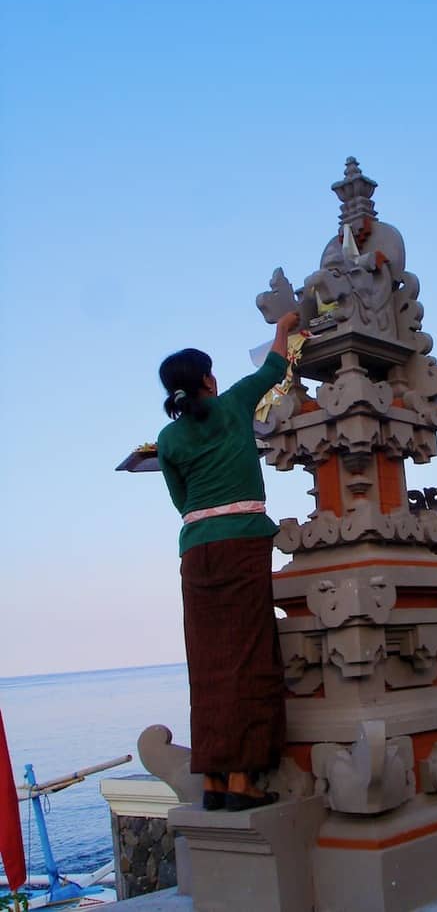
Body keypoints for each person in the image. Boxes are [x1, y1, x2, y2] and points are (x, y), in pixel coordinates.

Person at [157, 310, 299, 811]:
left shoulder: (167, 439)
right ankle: (243, 781)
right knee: (249, 657)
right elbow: (275, 370)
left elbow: (183, 501)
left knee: (210, 663)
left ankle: (215, 780)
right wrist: (283, 327)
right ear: (208, 381)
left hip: (196, 553)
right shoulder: (234, 404)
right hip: (241, 544)